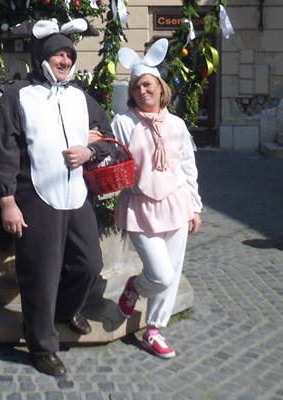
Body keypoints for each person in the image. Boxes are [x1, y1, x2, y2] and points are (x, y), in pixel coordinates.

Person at [0, 19, 120, 378]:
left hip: (76, 196)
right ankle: (42, 345)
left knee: (89, 264)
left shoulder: (80, 97)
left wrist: (90, 151)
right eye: (58, 54)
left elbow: (107, 135)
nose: (64, 60)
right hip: (35, 196)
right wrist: (7, 202)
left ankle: (64, 310)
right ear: (43, 56)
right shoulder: (17, 97)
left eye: (69, 55)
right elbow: (2, 152)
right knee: (40, 274)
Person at [109, 38, 202, 360]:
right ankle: (135, 287)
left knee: (172, 272)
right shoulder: (124, 123)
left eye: (147, 84)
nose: (142, 91)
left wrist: (194, 207)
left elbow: (187, 166)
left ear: (161, 88)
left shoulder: (176, 124)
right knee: (160, 274)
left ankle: (154, 330)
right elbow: (112, 157)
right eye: (136, 87)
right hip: (140, 205)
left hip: (176, 202)